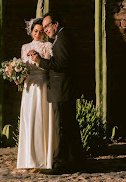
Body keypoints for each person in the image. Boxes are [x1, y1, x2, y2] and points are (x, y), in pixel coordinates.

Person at [30, 12, 84, 172]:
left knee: (62, 127)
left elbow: (61, 63)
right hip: (63, 89)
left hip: (62, 89)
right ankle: (78, 160)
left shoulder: (63, 38)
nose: (45, 30)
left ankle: (60, 164)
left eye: (47, 26)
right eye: (44, 27)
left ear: (56, 24)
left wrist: (41, 61)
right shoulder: (61, 38)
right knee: (70, 126)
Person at [16, 18, 58, 171]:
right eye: (35, 31)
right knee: (29, 119)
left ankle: (42, 158)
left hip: (41, 86)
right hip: (29, 87)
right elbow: (22, 67)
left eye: (41, 32)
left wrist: (38, 60)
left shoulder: (47, 46)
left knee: (41, 119)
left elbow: (49, 66)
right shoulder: (25, 47)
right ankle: (28, 158)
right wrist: (17, 76)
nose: (38, 34)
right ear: (31, 32)